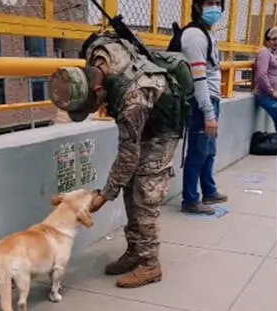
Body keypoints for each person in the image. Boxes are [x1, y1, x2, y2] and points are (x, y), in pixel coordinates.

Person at [48, 32, 182, 289]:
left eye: (93, 103)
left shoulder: (133, 97)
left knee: (145, 194)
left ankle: (150, 265)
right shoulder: (94, 55)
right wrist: (116, 187)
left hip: (162, 129)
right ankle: (135, 252)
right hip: (144, 122)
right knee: (129, 186)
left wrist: (105, 194)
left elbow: (128, 155)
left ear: (97, 88)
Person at [180, 0, 229, 215]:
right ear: (198, 6)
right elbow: (198, 78)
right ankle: (190, 199)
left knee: (209, 150)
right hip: (202, 102)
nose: (215, 7)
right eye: (209, 2)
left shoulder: (207, 33)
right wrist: (209, 113)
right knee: (198, 152)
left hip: (211, 99)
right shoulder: (194, 35)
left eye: (218, 2)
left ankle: (209, 191)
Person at [254, 26, 277, 130]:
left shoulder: (274, 53)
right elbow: (261, 75)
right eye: (273, 39)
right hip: (266, 95)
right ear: (267, 40)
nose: (276, 42)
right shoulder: (264, 52)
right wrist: (271, 91)